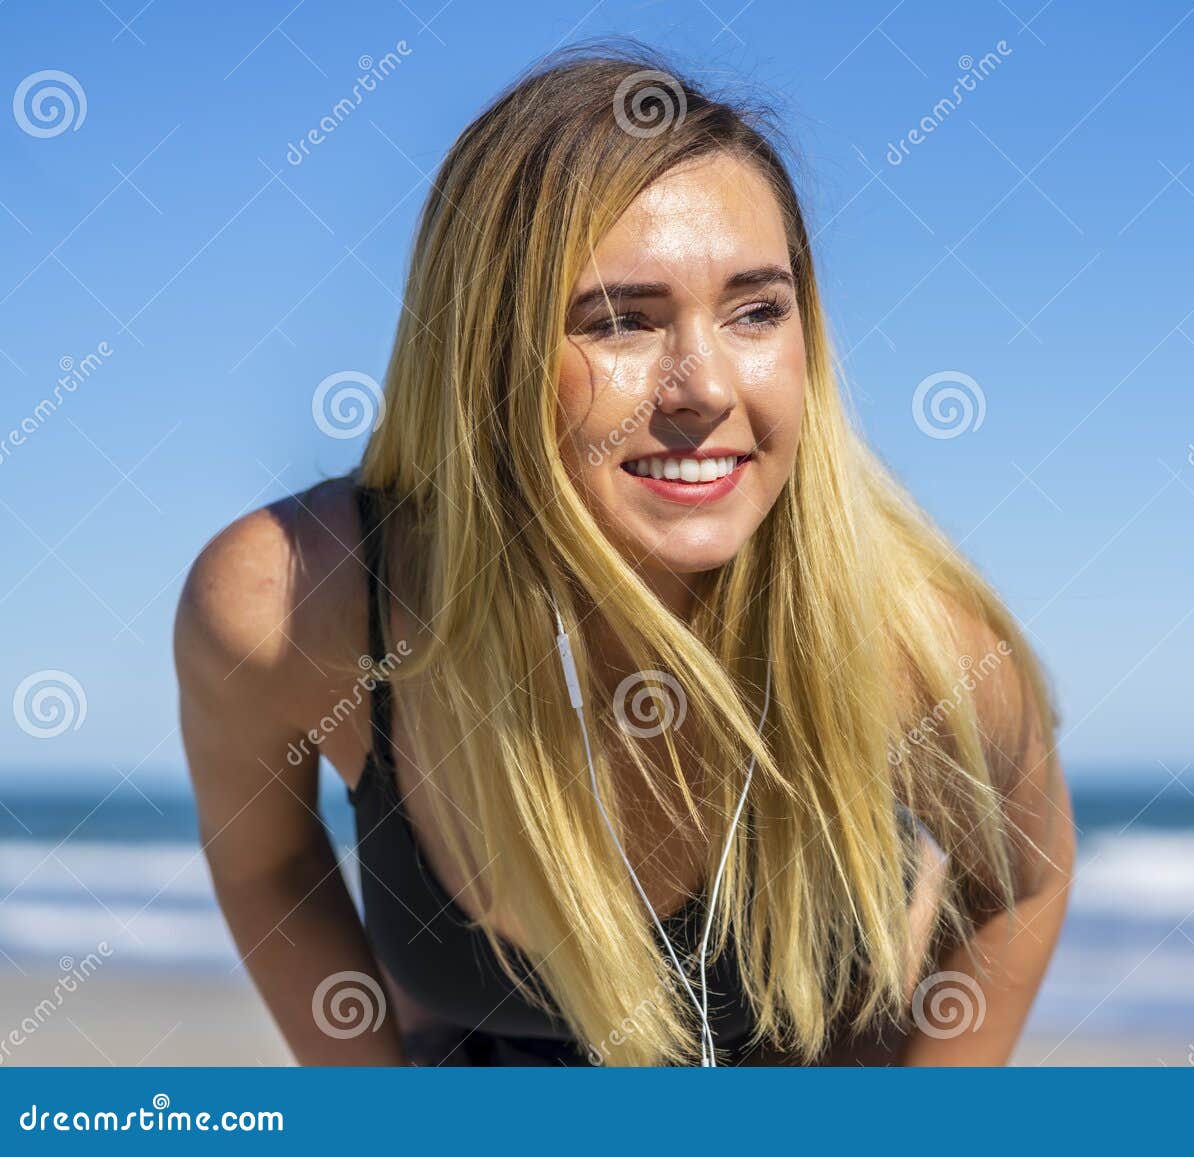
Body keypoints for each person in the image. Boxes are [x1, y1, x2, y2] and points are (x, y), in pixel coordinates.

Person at [175, 40, 1073, 1067]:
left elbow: (1024, 873)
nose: (703, 386)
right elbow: (266, 862)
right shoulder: (297, 602)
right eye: (620, 320)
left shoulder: (907, 636)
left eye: (755, 310)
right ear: (484, 352)